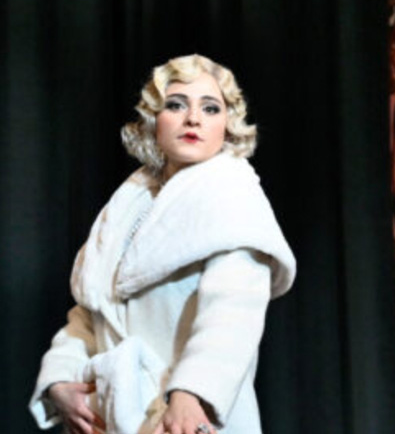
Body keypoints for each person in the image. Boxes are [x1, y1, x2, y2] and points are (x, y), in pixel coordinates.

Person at [28, 55, 296, 434]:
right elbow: (92, 309)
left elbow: (233, 314)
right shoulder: (130, 201)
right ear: (154, 120)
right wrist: (60, 380)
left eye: (210, 107)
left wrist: (191, 394)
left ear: (228, 125)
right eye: (176, 105)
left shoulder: (234, 198)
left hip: (187, 418)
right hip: (113, 416)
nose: (193, 118)